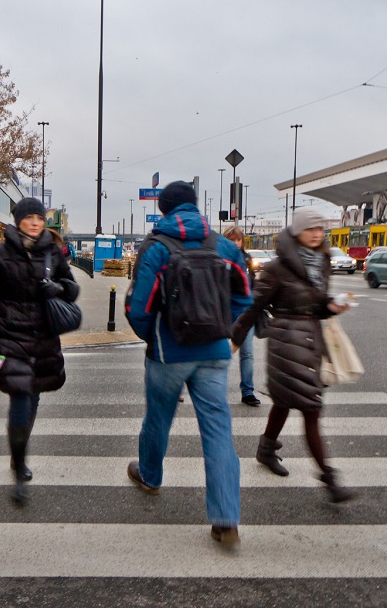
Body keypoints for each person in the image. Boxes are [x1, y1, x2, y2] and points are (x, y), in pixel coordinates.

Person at [124, 181, 252, 546]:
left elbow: (139, 307)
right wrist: (230, 335)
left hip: (169, 352)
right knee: (217, 432)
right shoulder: (224, 247)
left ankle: (149, 475)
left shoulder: (156, 248)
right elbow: (245, 297)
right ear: (195, 208)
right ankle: (226, 518)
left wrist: (153, 339)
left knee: (158, 418)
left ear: (164, 210)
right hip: (214, 352)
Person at [230, 208, 355, 504]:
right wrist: (233, 340)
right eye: (311, 229)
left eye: (320, 229)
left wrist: (331, 306)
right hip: (285, 343)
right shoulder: (278, 268)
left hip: (311, 341)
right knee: (311, 408)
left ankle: (266, 449)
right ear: (297, 231)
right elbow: (254, 307)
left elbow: (317, 304)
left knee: (285, 402)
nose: (316, 234)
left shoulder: (322, 262)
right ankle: (329, 478)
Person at [0, 198, 79, 505]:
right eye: (29, 217)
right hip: (10, 337)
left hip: (44, 339)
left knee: (33, 399)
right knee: (20, 398)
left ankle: (18, 451)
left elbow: (72, 290)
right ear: (18, 220)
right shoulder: (0, 254)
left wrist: (59, 289)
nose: (35, 222)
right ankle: (18, 468)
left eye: (40, 218)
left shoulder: (52, 252)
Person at [223, 226, 261, 407]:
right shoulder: (221, 259)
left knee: (247, 354)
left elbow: (253, 284)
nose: (236, 243)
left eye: (238, 240)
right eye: (232, 240)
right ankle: (217, 390)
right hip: (226, 312)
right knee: (222, 352)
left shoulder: (247, 259)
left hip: (245, 313)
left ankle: (248, 391)